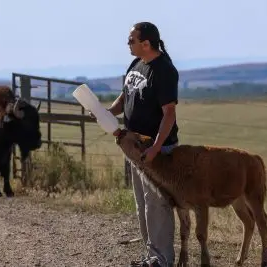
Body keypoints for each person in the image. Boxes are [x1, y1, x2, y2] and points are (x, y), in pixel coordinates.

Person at [106, 22, 179, 267]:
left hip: (155, 149)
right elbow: (126, 95)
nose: (128, 44)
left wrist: (157, 148)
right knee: (143, 204)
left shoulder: (164, 70)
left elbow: (169, 113)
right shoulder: (136, 64)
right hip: (135, 146)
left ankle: (162, 260)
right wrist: (106, 113)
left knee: (157, 204)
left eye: (131, 40)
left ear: (146, 43)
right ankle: (151, 258)